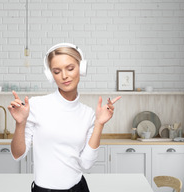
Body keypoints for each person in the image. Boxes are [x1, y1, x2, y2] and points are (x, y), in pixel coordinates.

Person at [8, 43, 121, 192]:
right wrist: (20, 123)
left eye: (70, 68)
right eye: (56, 71)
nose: (64, 76)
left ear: (81, 68)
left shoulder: (88, 114)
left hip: (78, 188)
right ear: (50, 75)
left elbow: (86, 164)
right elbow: (17, 154)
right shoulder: (36, 105)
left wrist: (99, 123)